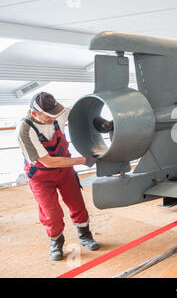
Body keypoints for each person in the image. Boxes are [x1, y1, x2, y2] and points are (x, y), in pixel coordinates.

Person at [17, 92, 100, 261]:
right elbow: (48, 162)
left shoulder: (57, 114)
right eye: (49, 116)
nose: (55, 118)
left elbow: (83, 114)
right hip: (41, 176)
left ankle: (85, 236)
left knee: (76, 203)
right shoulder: (25, 130)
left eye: (56, 113)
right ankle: (56, 242)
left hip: (65, 171)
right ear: (35, 114)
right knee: (51, 212)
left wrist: (104, 124)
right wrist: (83, 160)